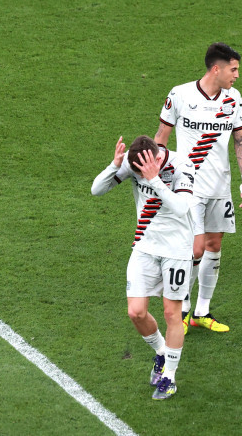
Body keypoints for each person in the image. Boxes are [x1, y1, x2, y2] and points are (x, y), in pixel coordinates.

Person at [91, 135, 196, 400]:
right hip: (145, 247)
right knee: (136, 312)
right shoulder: (135, 161)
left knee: (172, 314)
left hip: (176, 250)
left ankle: (170, 377)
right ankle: (162, 353)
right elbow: (96, 190)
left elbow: (182, 208)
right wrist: (115, 166)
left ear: (158, 157)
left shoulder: (183, 164)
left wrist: (155, 180)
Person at [155, 43, 242, 334]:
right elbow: (161, 138)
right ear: (216, 68)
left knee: (214, 246)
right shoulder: (180, 94)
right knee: (193, 248)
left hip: (220, 186)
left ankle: (201, 312)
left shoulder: (233, 98)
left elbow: (240, 140)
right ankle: (182, 310)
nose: (236, 75)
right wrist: (157, 180)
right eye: (233, 69)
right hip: (188, 188)